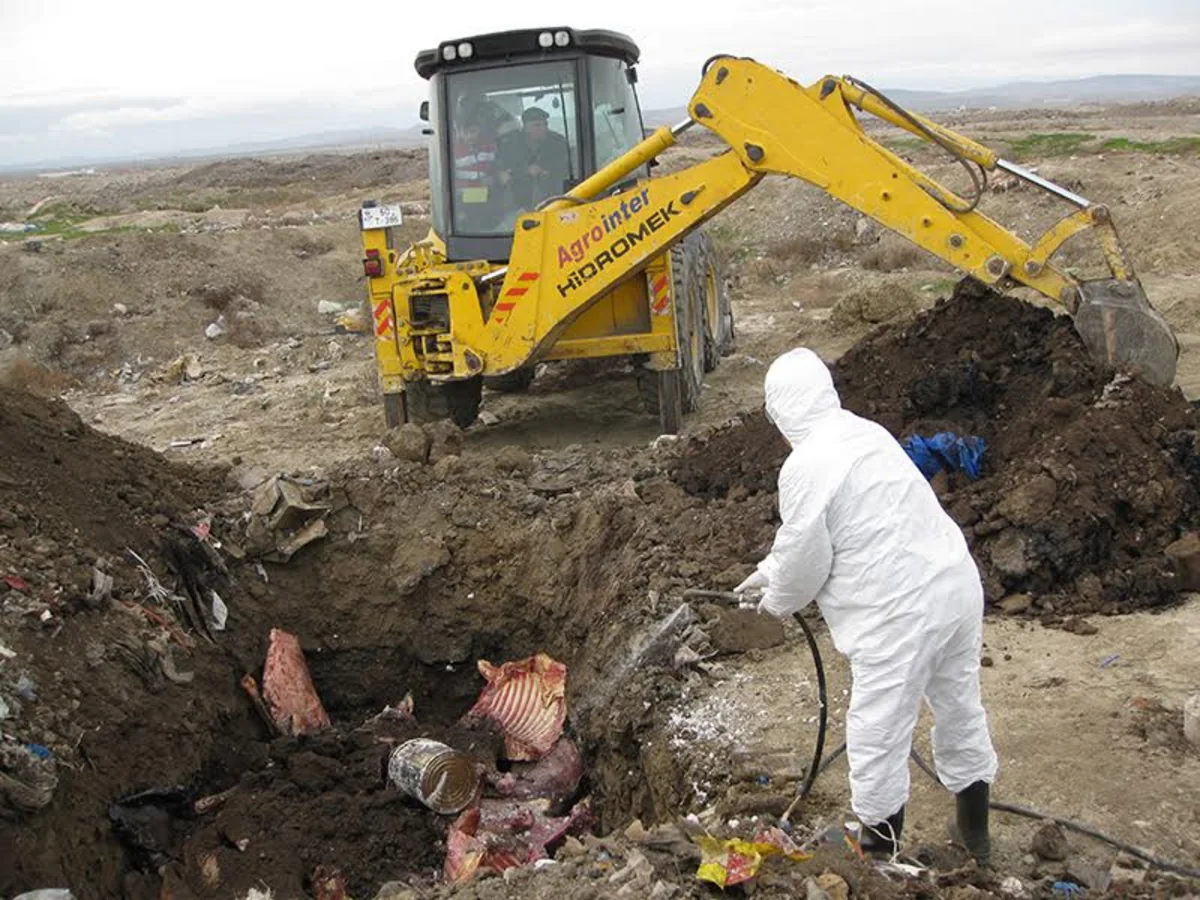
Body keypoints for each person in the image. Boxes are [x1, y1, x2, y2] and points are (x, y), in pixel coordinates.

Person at [735, 347, 998, 865]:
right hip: (954, 586)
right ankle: (975, 834)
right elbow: (843, 524)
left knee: (877, 731)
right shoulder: (864, 432)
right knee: (959, 706)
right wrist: (768, 571)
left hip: (899, 612)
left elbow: (805, 563)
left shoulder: (804, 465)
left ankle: (880, 856)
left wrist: (773, 600)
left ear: (780, 414)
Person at [497, 106, 573, 211]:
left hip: (556, 200)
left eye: (545, 124)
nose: (543, 128)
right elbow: (502, 173)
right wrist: (526, 171)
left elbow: (569, 168)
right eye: (537, 125)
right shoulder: (511, 146)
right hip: (519, 203)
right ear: (525, 127)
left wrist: (544, 171)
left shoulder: (558, 142)